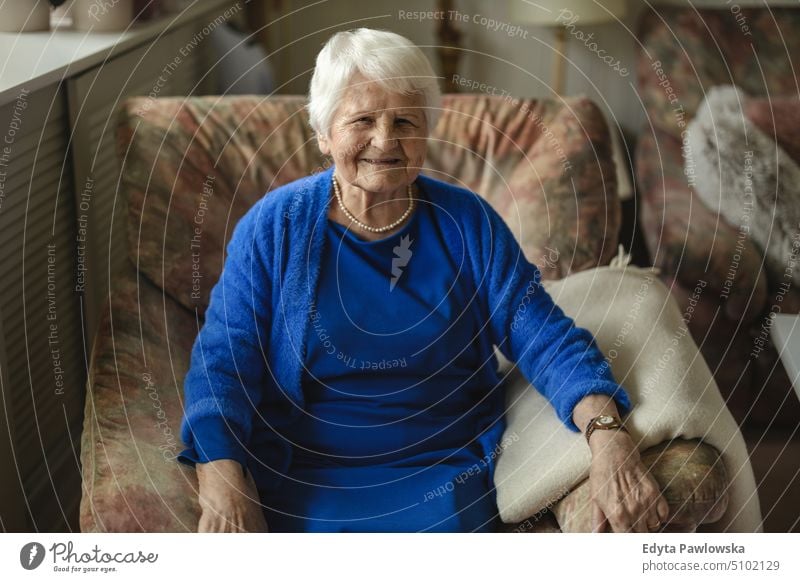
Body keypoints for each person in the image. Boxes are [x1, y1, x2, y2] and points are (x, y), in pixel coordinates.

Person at [177, 28, 669, 533]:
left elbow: (545, 338)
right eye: (362, 120)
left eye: (405, 121)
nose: (385, 140)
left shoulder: (467, 224)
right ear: (324, 134)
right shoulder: (273, 227)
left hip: (439, 466)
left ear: (427, 133)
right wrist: (221, 479)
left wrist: (608, 434)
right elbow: (223, 361)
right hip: (305, 468)